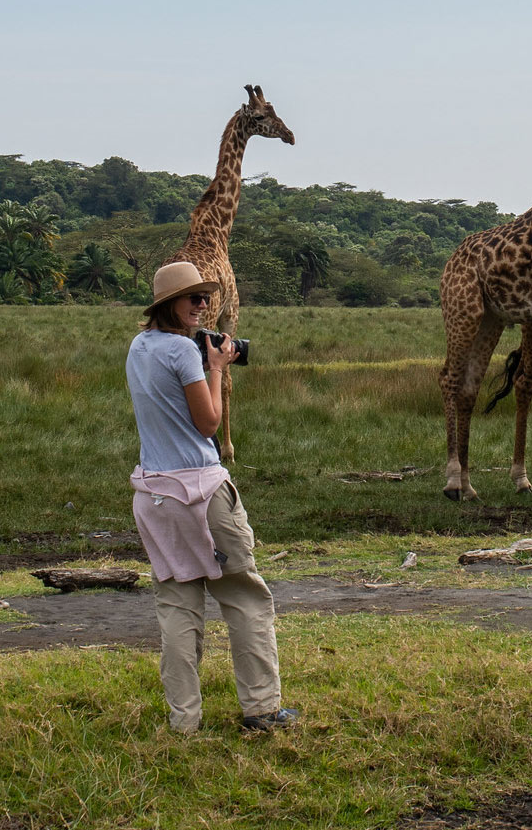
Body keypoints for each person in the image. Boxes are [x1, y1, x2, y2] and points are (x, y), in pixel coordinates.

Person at [127, 260, 298, 733]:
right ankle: (262, 709)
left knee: (177, 603)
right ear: (170, 303)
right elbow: (208, 424)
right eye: (194, 297)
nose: (203, 304)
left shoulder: (139, 346)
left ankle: (184, 720)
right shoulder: (184, 351)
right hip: (202, 492)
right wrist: (217, 368)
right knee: (243, 595)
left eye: (205, 297)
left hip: (154, 494)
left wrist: (202, 366)